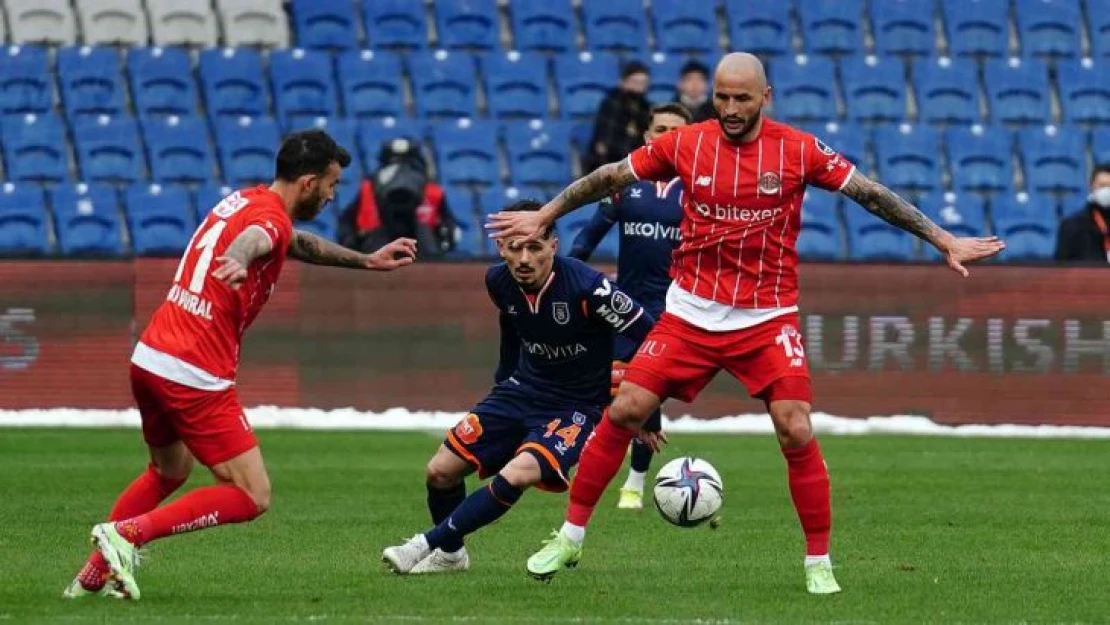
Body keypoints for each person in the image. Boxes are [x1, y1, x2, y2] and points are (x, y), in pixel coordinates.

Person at [487, 53, 1005, 594]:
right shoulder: (687, 144)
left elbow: (870, 193)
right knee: (625, 409)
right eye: (721, 97)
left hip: (766, 315)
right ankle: (570, 536)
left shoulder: (799, 149)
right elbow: (610, 176)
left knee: (796, 427)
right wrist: (547, 214)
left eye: (742, 98)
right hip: (689, 311)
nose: (730, 109)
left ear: (766, 97)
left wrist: (943, 239)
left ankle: (818, 563)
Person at [64, 130, 418, 601]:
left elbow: (295, 242)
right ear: (309, 182)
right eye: (332, 185)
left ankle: (91, 576)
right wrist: (236, 257)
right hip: (194, 369)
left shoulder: (246, 200)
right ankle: (126, 535)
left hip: (151, 356)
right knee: (252, 494)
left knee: (169, 471)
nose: (334, 195)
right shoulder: (266, 222)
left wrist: (367, 261)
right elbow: (258, 239)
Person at [380, 200, 656, 575]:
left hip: (575, 407)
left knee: (518, 473)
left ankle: (423, 544)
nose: (525, 258)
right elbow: (512, 326)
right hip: (520, 393)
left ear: (553, 246)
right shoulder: (498, 281)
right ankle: (451, 555)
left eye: (535, 247)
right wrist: (502, 384)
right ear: (500, 249)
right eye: (515, 248)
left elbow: (654, 337)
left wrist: (646, 410)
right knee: (440, 471)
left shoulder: (591, 289)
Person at [568, 102, 692, 511]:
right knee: (619, 392)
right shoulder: (625, 184)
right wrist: (565, 277)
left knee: (647, 393)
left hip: (677, 309)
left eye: (676, 129)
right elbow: (588, 237)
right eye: (660, 129)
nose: (667, 136)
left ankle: (635, 482)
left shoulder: (699, 190)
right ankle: (602, 463)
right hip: (627, 306)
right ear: (646, 136)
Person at [582, 61, 652, 174]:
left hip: (635, 168)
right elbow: (605, 145)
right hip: (606, 168)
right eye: (635, 82)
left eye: (643, 83)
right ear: (623, 82)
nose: (638, 87)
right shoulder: (612, 104)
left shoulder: (646, 109)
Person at [1055, 163, 1110, 264]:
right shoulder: (1072, 225)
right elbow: (1060, 268)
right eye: (1102, 186)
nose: (1107, 191)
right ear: (1091, 187)